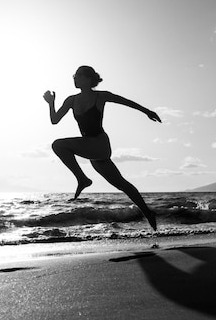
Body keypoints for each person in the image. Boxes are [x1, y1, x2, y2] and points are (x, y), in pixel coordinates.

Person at [43, 65, 161, 230]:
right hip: (92, 151)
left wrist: (147, 111)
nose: (74, 78)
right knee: (122, 184)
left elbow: (126, 102)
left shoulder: (101, 96)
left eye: (77, 76)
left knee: (58, 145)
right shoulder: (71, 100)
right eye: (74, 76)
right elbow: (55, 120)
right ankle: (148, 213)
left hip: (99, 144)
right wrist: (51, 103)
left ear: (88, 78)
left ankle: (82, 179)